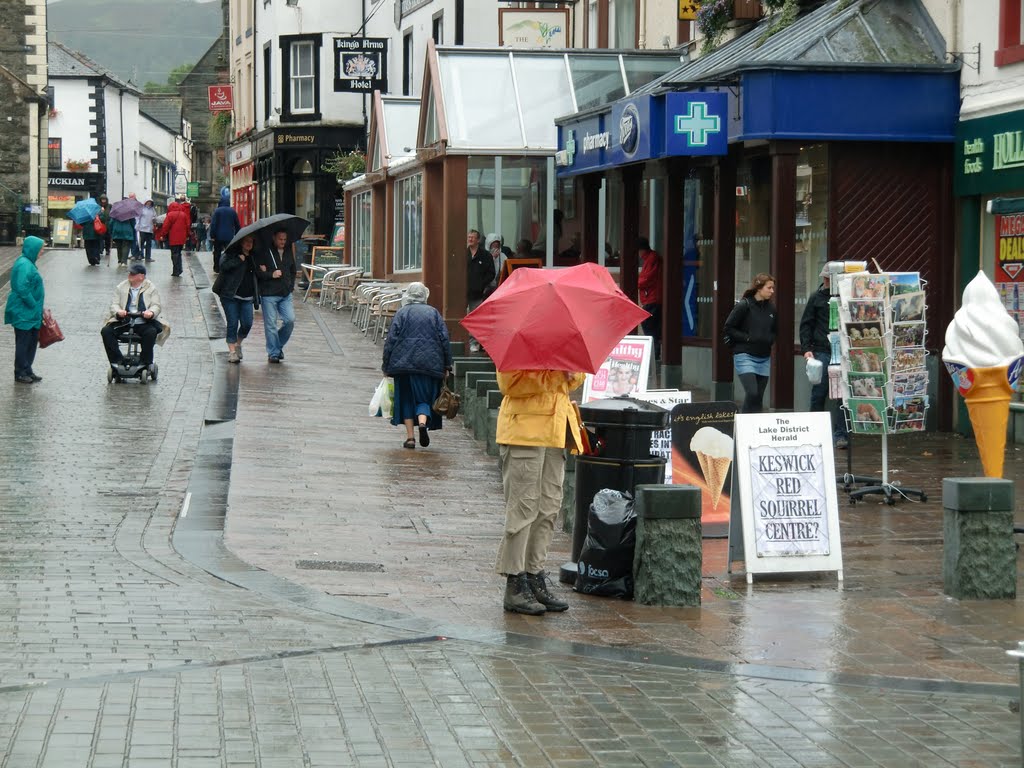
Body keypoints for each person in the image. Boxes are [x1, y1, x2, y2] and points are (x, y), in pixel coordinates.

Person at [495, 369, 586, 615]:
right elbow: (508, 384)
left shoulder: (562, 342)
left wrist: (571, 374)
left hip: (555, 433)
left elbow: (575, 380)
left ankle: (534, 575)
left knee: (548, 508)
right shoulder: (521, 342)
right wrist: (556, 375)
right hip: (524, 433)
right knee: (524, 509)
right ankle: (515, 582)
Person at [381, 282, 452, 449]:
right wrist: (447, 364)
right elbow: (445, 339)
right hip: (430, 365)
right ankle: (422, 423)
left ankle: (410, 438)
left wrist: (386, 364)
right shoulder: (434, 313)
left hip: (403, 364)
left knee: (406, 399)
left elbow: (390, 340)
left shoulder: (402, 313)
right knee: (424, 398)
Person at [801, 264, 849, 449]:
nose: (826, 281)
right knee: (819, 392)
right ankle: (814, 431)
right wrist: (806, 348)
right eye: (825, 278)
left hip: (843, 351)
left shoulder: (846, 298)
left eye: (829, 278)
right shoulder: (816, 298)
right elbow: (806, 324)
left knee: (841, 395)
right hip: (822, 349)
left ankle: (840, 435)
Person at [724, 273, 777, 414]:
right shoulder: (744, 305)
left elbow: (775, 330)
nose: (772, 291)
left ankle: (754, 428)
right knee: (752, 392)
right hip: (745, 355)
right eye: (769, 288)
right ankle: (743, 424)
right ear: (759, 288)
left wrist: (769, 339)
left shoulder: (771, 308)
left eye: (773, 288)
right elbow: (728, 327)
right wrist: (747, 338)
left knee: (758, 397)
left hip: (764, 357)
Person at [101, 263, 163, 371]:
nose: (129, 275)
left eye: (133, 273)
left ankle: (145, 362)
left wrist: (151, 313)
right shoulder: (121, 287)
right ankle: (117, 360)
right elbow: (114, 304)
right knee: (106, 331)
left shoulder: (151, 288)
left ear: (141, 276)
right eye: (129, 273)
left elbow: (156, 305)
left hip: (143, 322)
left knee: (151, 332)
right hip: (125, 321)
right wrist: (118, 311)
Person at [212, 234, 259, 364]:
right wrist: (239, 260)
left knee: (247, 324)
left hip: (248, 297)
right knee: (233, 322)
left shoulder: (255, 257)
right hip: (230, 295)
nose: (249, 244)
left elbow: (258, 275)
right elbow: (223, 267)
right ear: (241, 242)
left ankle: (238, 344)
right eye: (246, 241)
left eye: (251, 241)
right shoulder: (230, 253)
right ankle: (232, 352)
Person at [5, 235, 45, 384]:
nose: (42, 251)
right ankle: (20, 371)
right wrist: (33, 304)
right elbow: (22, 288)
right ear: (33, 249)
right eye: (41, 249)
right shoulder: (24, 264)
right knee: (23, 341)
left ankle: (27, 369)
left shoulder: (28, 263)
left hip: (30, 312)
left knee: (31, 340)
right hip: (24, 311)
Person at [254, 227, 296, 363]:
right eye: (280, 239)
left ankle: (277, 346)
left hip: (285, 293)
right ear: (274, 238)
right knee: (271, 324)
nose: (283, 242)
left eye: (285, 239)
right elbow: (258, 273)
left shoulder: (289, 250)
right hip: (269, 293)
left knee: (290, 320)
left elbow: (293, 269)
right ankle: (273, 353)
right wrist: (271, 274)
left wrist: (290, 286)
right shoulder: (265, 251)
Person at [465, 229, 494, 353]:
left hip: (477, 293)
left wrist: (481, 285)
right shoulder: (463, 254)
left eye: (473, 237)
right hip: (462, 293)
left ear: (478, 240)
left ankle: (474, 343)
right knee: (462, 317)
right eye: (469, 237)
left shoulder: (485, 256)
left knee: (476, 319)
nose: (470, 239)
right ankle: (462, 341)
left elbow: (491, 273)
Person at [637, 236, 662, 360]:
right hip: (652, 298)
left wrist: (637, 283)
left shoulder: (652, 259)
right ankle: (654, 352)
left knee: (649, 325)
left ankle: (654, 353)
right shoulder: (650, 258)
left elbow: (646, 278)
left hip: (653, 298)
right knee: (652, 326)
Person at [209, 190, 241, 274]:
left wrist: (212, 235)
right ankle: (228, 266)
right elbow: (237, 224)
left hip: (218, 236)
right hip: (229, 236)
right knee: (229, 252)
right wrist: (238, 234)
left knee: (217, 252)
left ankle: (217, 268)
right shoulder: (232, 211)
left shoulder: (217, 211)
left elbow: (213, 224)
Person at [157, 199, 190, 276]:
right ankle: (179, 268)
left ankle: (176, 270)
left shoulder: (170, 215)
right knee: (179, 253)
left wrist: (163, 235)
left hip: (173, 237)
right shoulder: (183, 214)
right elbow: (187, 226)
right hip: (182, 238)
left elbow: (165, 227)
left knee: (174, 254)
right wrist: (188, 235)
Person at [483, 233, 507, 298]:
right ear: (489, 245)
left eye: (497, 246)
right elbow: (483, 270)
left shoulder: (503, 256)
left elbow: (506, 269)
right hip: (485, 288)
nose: (496, 248)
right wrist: (492, 258)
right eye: (494, 246)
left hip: (499, 287)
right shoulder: (483, 255)